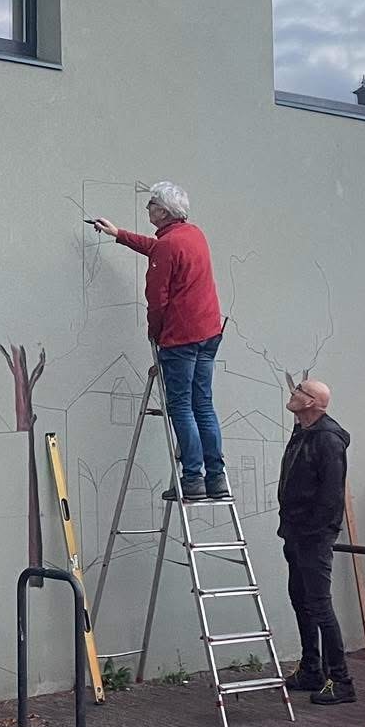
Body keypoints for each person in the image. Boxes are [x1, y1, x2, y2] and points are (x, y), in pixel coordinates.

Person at [93, 182, 227, 501]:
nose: (148, 208)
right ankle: (216, 477)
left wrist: (155, 332)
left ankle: (192, 478)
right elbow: (159, 249)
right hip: (208, 332)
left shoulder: (168, 246)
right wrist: (118, 234)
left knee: (181, 405)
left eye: (152, 203)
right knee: (203, 403)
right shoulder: (193, 235)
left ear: (164, 212)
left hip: (182, 337)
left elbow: (156, 298)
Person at [278, 378, 355, 706]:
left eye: (299, 390)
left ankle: (342, 680)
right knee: (301, 598)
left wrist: (314, 531)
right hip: (296, 532)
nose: (292, 393)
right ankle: (312, 668)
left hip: (313, 536)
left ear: (311, 402)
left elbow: (330, 494)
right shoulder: (303, 431)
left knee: (320, 604)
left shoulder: (327, 439)